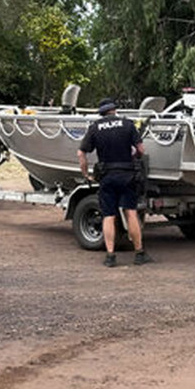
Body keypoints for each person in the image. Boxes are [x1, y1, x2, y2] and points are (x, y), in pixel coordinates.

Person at [78, 99, 154, 267]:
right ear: (114, 110)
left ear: (101, 112)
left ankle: (110, 256)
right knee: (131, 213)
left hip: (107, 176)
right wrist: (135, 158)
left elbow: (81, 153)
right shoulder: (127, 124)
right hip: (127, 175)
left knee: (108, 216)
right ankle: (139, 253)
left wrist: (86, 173)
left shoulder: (95, 128)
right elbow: (141, 150)